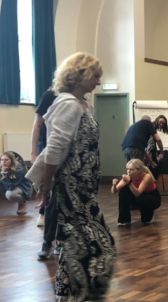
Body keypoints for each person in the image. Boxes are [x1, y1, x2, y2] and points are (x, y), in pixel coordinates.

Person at [27, 52, 116, 301]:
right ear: (79, 75)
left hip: (85, 187)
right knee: (102, 247)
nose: (98, 81)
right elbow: (55, 147)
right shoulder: (67, 103)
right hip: (72, 186)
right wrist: (46, 186)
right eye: (95, 75)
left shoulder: (85, 104)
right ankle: (86, 296)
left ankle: (67, 295)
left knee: (75, 244)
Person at [31, 87, 57, 226]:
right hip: (47, 144)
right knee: (45, 180)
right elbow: (37, 125)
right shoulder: (49, 96)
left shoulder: (80, 98)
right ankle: (42, 212)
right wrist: (33, 152)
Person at [112, 159, 161, 225]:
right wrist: (114, 185)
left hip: (152, 198)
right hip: (138, 197)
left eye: (132, 170)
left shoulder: (146, 176)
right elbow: (114, 191)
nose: (128, 171)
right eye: (128, 169)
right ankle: (124, 220)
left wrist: (129, 182)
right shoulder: (128, 177)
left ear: (139, 170)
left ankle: (148, 216)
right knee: (123, 190)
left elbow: (138, 193)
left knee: (142, 200)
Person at [144, 115, 168, 180]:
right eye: (160, 122)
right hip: (149, 152)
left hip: (150, 151)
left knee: (154, 171)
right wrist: (160, 153)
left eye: (163, 123)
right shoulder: (152, 127)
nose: (161, 124)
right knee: (153, 172)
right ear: (157, 120)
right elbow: (152, 142)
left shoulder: (153, 127)